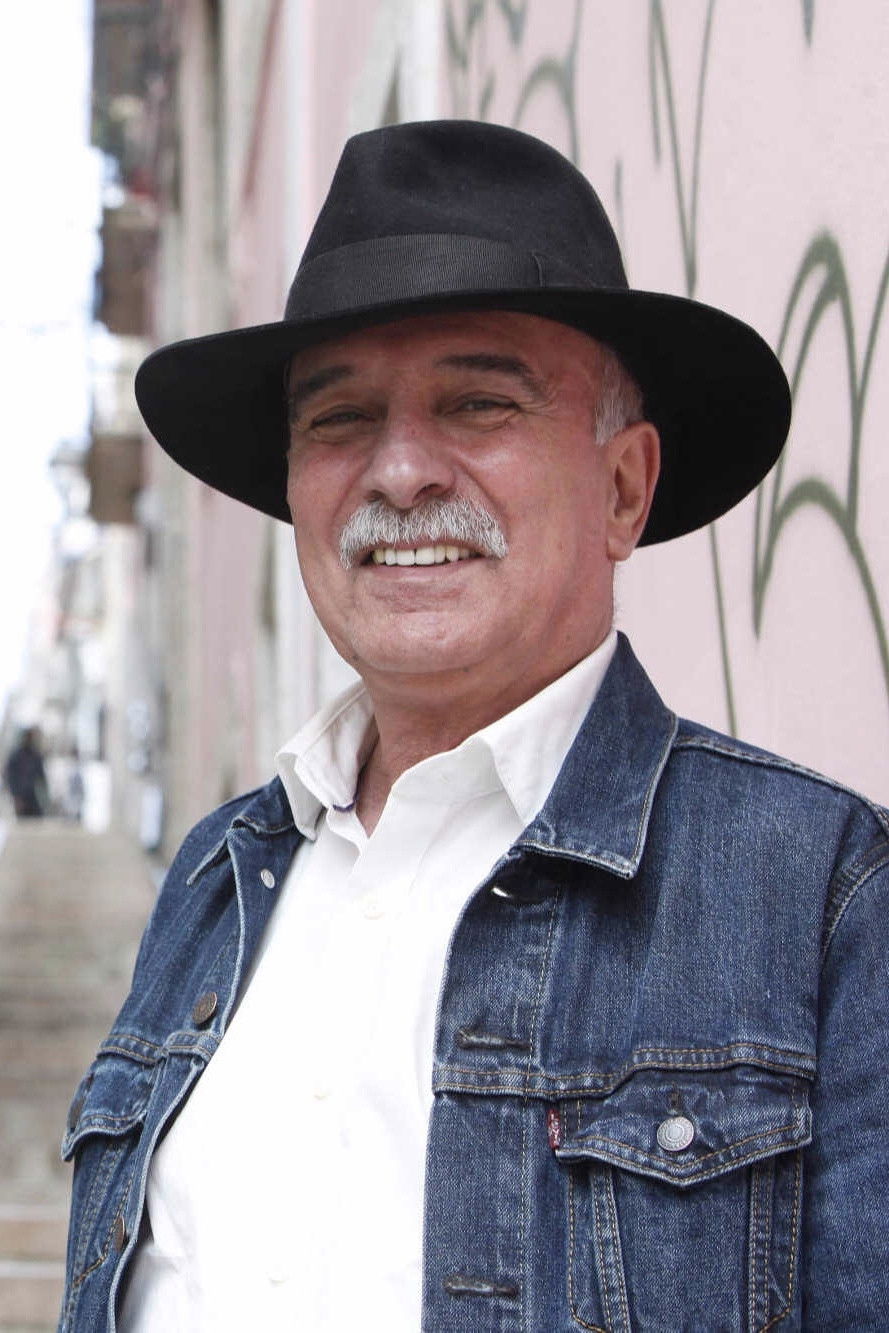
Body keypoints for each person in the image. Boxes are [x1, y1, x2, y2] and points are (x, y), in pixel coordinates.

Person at [59, 121, 888, 1331]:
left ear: (623, 487)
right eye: (339, 419)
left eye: (479, 401)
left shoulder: (820, 894)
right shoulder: (214, 877)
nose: (400, 471)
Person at [4, 726, 48, 818]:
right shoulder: (15, 756)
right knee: (23, 822)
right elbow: (10, 777)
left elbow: (41, 777)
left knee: (37, 819)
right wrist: (16, 796)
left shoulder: (35, 755)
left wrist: (44, 796)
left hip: (33, 795)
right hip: (20, 796)